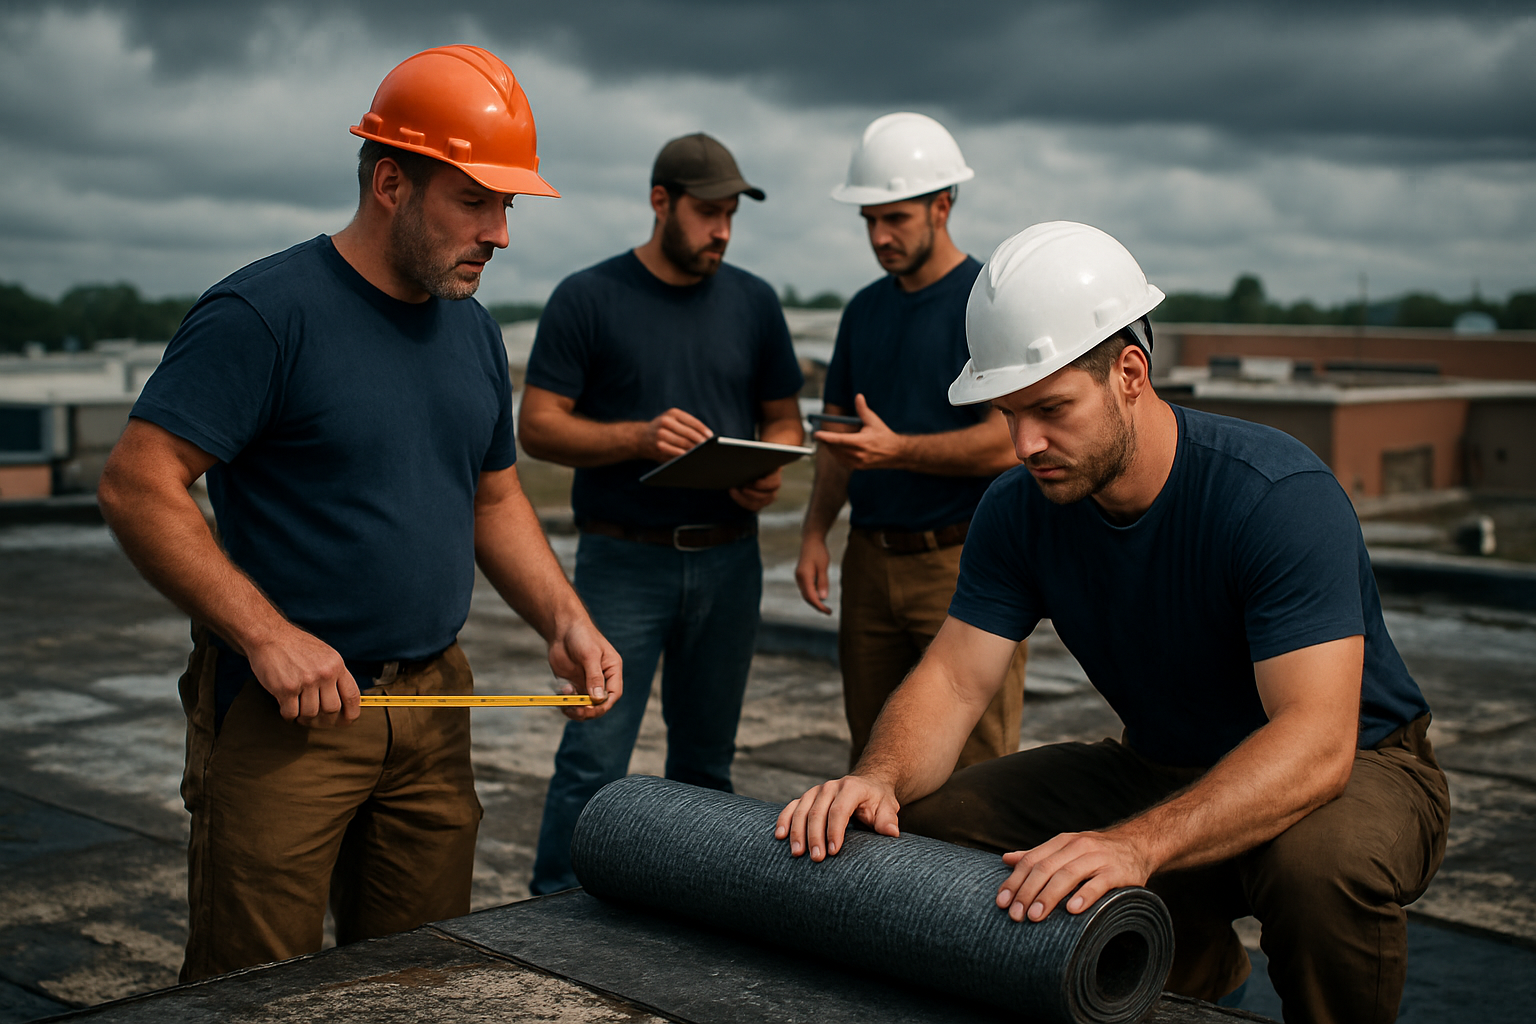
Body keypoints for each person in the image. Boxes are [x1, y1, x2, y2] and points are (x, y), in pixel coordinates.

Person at [776, 222, 1449, 1024]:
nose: (1025, 443)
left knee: (1319, 871)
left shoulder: (1274, 496)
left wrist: (1136, 845)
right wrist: (875, 779)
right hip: (1165, 762)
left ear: (1131, 372)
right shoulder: (1020, 510)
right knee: (931, 825)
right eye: (1007, 414)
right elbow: (956, 679)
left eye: (1051, 409)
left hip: (1359, 761)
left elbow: (1317, 738)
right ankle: (1197, 973)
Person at [96, 46, 622, 982]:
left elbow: (493, 495)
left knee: (417, 981)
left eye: (509, 207)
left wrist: (565, 620)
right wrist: (267, 636)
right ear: (391, 180)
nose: (501, 233)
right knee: (251, 991)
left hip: (435, 708)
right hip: (285, 717)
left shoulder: (472, 328)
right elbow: (139, 482)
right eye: (476, 200)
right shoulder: (264, 313)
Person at [520, 133, 804, 895]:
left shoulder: (754, 300)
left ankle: (692, 910)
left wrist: (767, 469)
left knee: (708, 761)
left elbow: (785, 420)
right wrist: (636, 437)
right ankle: (554, 911)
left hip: (728, 557)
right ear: (660, 202)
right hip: (622, 562)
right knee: (593, 755)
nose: (722, 230)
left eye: (730, 215)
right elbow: (538, 425)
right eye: (708, 212)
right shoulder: (588, 297)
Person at [796, 112, 1025, 770]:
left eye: (895, 218)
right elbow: (841, 435)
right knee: (873, 762)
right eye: (869, 219)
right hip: (868, 560)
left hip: (963, 564)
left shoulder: (989, 302)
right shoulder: (864, 309)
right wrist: (816, 533)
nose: (879, 236)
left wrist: (900, 451)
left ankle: (974, 881)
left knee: (977, 770)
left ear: (943, 205)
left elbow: (1006, 443)